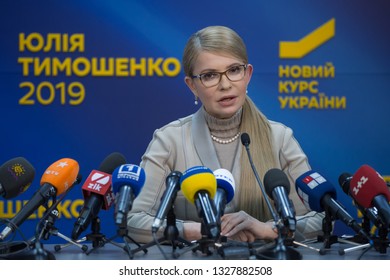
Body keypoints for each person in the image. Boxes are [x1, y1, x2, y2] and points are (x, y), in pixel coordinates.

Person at [127, 25, 324, 244]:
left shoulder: (279, 138)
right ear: (192, 85)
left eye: (233, 70)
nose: (225, 85)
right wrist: (198, 229)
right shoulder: (169, 141)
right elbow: (133, 220)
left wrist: (267, 230)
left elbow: (321, 218)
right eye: (210, 75)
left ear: (247, 74)